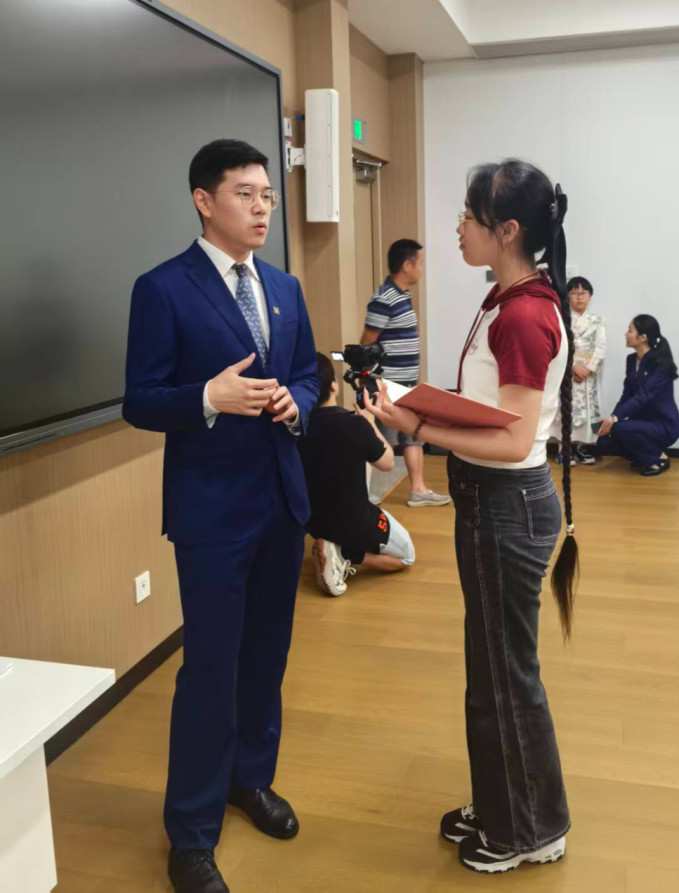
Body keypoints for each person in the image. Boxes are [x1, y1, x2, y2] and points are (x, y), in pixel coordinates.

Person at [364, 159, 578, 874]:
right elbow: (494, 412)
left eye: (467, 215)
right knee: (490, 667)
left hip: (506, 504)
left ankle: (530, 829)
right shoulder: (508, 298)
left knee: (505, 673)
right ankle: (502, 804)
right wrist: (422, 409)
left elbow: (513, 440)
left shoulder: (523, 312)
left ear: (506, 229)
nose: (456, 226)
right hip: (496, 501)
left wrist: (416, 424)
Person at [123, 139, 319, 893]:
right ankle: (191, 832)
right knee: (210, 668)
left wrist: (295, 403)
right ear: (204, 201)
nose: (262, 207)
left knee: (267, 657)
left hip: (281, 501)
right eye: (246, 193)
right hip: (210, 512)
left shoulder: (284, 286)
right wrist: (208, 396)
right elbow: (141, 399)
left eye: (267, 193)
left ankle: (250, 779)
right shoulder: (162, 288)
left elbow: (307, 374)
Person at [299, 353, 416, 596]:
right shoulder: (355, 426)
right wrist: (370, 422)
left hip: (313, 522)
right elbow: (387, 464)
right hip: (356, 522)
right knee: (407, 558)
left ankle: (333, 545)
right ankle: (346, 553)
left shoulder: (295, 428)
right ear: (334, 386)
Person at [361, 239, 450, 508]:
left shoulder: (402, 295)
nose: (422, 268)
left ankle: (418, 490)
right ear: (407, 266)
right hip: (386, 384)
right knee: (377, 440)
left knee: (414, 435)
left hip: (406, 383)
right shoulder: (384, 298)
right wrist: (369, 379)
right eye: (420, 263)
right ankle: (362, 494)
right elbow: (367, 342)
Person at [596, 314, 679, 475]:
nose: (625, 334)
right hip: (641, 423)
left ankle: (658, 459)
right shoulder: (631, 360)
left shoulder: (660, 364)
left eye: (630, 330)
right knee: (603, 442)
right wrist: (611, 420)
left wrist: (615, 420)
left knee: (619, 429)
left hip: (663, 425)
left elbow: (643, 395)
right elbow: (627, 395)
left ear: (643, 337)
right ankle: (643, 457)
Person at [553, 275, 606, 465]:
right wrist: (573, 367)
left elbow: (601, 348)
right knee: (566, 409)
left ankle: (582, 446)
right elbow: (557, 347)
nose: (579, 297)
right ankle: (564, 448)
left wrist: (588, 369)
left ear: (590, 296)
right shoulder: (561, 319)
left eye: (583, 293)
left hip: (587, 376)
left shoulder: (597, 321)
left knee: (589, 411)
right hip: (567, 372)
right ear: (568, 296)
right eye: (574, 293)